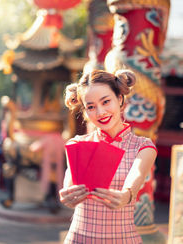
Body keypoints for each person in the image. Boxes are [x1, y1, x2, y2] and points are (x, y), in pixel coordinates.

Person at [59, 69, 157, 244]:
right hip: (79, 239)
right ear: (85, 110)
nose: (100, 112)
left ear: (120, 99)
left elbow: (137, 175)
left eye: (106, 102)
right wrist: (68, 195)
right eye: (91, 106)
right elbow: (69, 182)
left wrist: (126, 195)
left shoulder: (143, 146)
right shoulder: (77, 144)